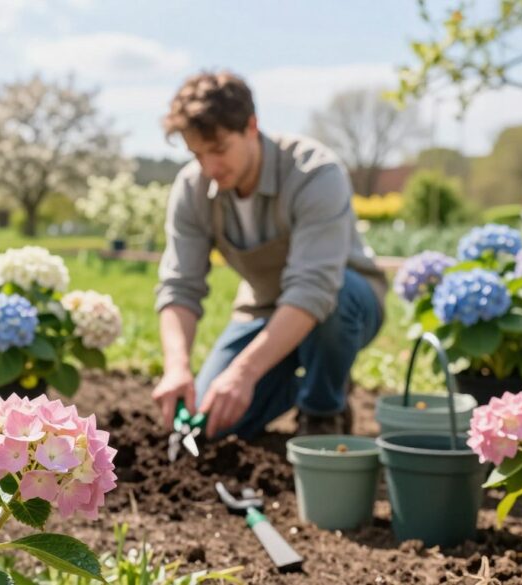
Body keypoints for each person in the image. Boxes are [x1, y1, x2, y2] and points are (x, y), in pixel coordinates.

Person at [152, 71, 387, 440]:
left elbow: (313, 289)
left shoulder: (314, 173)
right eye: (197, 154)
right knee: (212, 426)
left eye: (218, 150)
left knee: (334, 307)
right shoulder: (193, 188)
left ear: (251, 126)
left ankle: (323, 408)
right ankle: (303, 375)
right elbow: (180, 286)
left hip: (342, 302)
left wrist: (244, 373)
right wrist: (177, 366)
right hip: (264, 309)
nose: (210, 168)